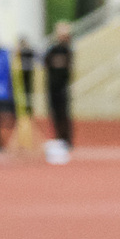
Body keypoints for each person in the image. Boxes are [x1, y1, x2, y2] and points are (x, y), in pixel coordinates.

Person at [43, 20, 75, 149]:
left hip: (63, 87)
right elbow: (47, 63)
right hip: (52, 86)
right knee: (54, 114)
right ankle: (57, 137)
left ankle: (66, 139)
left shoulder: (68, 50)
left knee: (64, 114)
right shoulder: (53, 49)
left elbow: (66, 65)